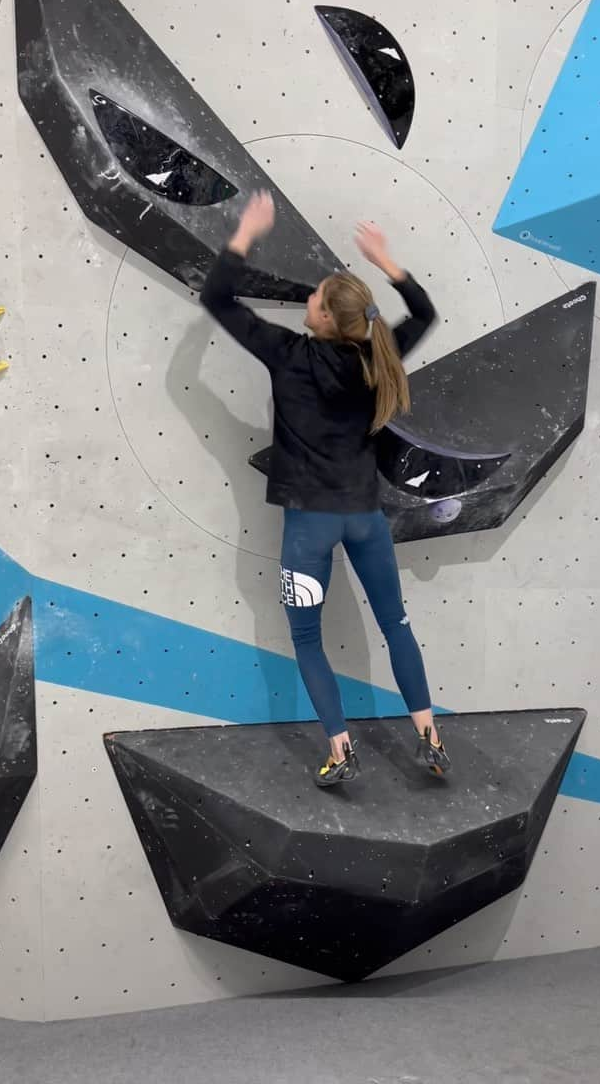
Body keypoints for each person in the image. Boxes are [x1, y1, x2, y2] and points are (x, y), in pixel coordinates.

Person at [200, 190, 450, 787]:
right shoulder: (376, 355)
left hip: (309, 527)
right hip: (366, 519)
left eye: (314, 299)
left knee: (308, 640)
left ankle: (341, 751)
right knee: (398, 628)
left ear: (324, 320)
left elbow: (216, 297)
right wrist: (387, 262)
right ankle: (431, 740)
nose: (307, 299)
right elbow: (422, 313)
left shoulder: (287, 355)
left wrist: (246, 234)